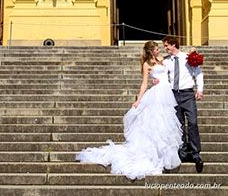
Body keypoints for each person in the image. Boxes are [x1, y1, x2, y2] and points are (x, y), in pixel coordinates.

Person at [76, 41, 183, 180]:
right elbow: (144, 83)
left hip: (167, 93)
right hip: (157, 94)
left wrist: (190, 52)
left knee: (166, 125)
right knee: (156, 124)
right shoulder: (147, 65)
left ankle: (164, 155)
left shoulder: (162, 59)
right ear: (151, 51)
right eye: (157, 49)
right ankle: (154, 157)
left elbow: (177, 55)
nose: (159, 50)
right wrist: (138, 100)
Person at [157, 36, 204, 173]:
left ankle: (196, 153)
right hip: (173, 95)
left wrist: (199, 89)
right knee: (178, 125)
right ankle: (182, 152)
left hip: (188, 94)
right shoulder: (166, 61)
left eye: (166, 46)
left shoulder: (188, 57)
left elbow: (198, 73)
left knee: (193, 122)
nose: (165, 48)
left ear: (173, 45)